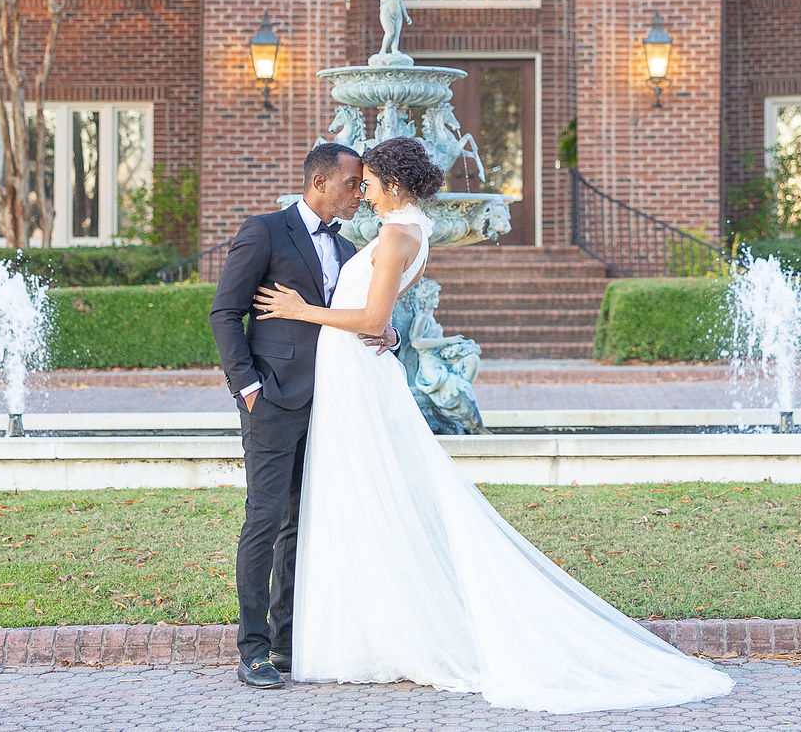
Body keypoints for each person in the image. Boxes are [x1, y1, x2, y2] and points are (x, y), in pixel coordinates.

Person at [253, 136, 733, 714]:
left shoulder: (397, 233)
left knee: (364, 494)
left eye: (370, 182)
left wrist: (302, 310)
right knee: (356, 496)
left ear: (394, 185)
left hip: (356, 376)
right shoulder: (411, 232)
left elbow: (374, 315)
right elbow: (385, 320)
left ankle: (378, 634)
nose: (363, 191)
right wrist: (388, 334)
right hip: (353, 371)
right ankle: (354, 627)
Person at [209, 141, 398, 690]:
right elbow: (226, 311)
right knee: (264, 520)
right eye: (351, 184)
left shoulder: (347, 247)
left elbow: (362, 314)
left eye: (364, 186)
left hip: (334, 402)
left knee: (302, 521)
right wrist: (247, 386)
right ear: (320, 182)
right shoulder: (264, 231)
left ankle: (288, 644)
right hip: (272, 400)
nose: (360, 194)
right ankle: (253, 651)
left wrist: (389, 333)